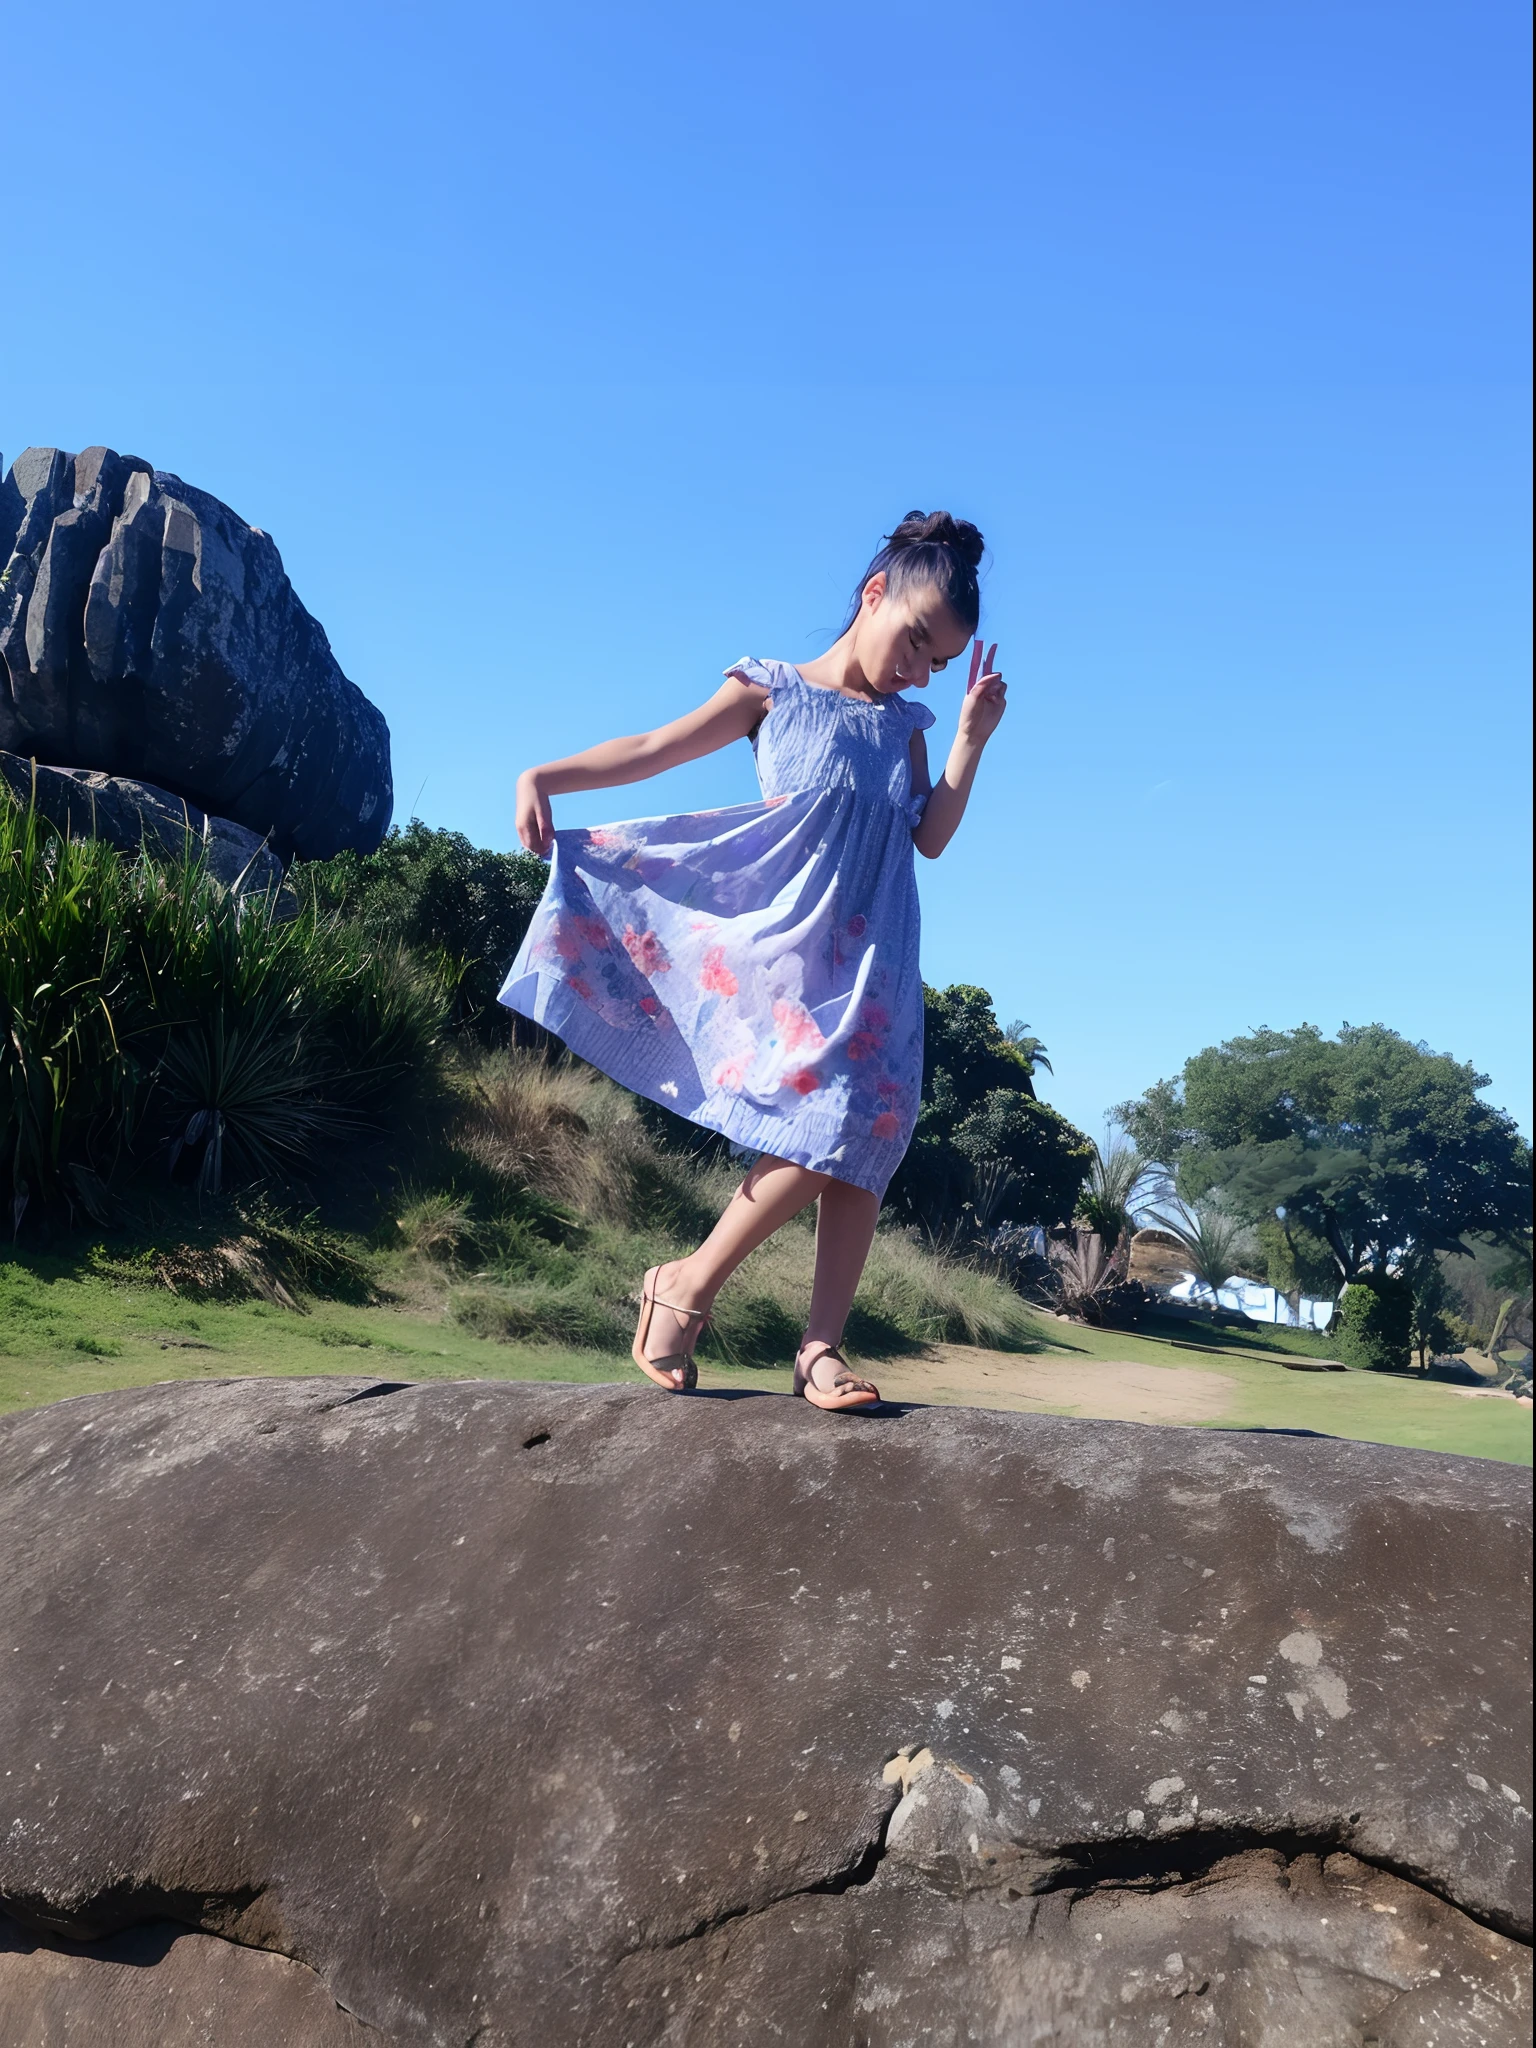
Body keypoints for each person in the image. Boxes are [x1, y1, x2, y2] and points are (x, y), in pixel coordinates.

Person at [499, 511, 1008, 1410]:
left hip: (880, 961)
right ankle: (686, 1283)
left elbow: (928, 836)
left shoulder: (908, 725)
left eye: (935, 661)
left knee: (871, 1138)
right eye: (914, 640)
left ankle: (820, 1348)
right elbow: (656, 748)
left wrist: (969, 735)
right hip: (791, 947)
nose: (915, 667)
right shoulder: (772, 689)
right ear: (874, 592)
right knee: (828, 1123)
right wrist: (546, 776)